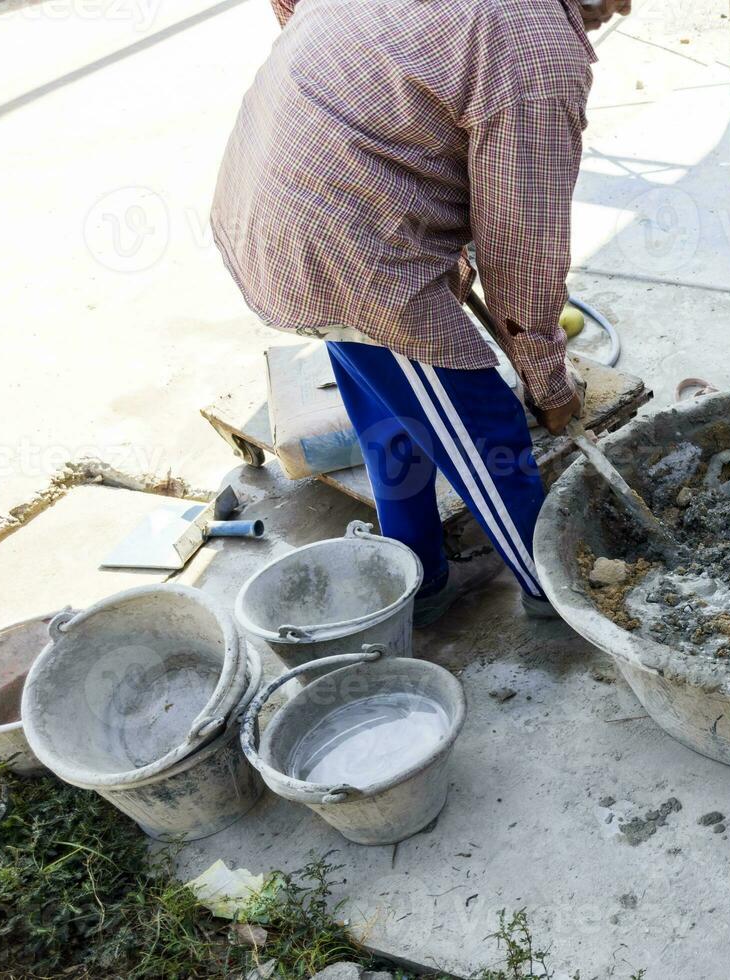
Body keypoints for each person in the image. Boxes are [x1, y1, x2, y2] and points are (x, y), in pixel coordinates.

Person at [212, 0, 630, 624]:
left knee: (392, 412)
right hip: (341, 241)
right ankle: (558, 598)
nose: (624, 10)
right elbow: (520, 249)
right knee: (485, 432)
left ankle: (416, 575)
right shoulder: (536, 51)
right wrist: (547, 380)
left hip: (276, 192)